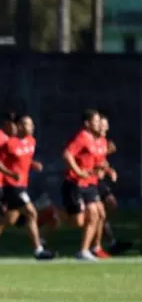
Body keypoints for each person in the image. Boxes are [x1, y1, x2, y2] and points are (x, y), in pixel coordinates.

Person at [0, 115, 54, 260]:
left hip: (22, 185)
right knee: (31, 213)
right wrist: (10, 174)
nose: (32, 127)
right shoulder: (10, 144)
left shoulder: (32, 141)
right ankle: (38, 250)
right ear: (20, 127)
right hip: (12, 186)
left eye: (32, 124)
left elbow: (25, 159)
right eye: (28, 125)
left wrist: (33, 164)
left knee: (6, 220)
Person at [48, 109, 105, 261]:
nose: (99, 124)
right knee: (78, 222)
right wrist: (78, 171)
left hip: (89, 185)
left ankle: (83, 251)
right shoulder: (82, 137)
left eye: (100, 121)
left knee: (95, 214)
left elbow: (96, 161)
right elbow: (67, 154)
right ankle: (53, 213)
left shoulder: (95, 139)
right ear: (87, 123)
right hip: (74, 184)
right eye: (96, 121)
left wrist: (102, 170)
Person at [95, 114, 132, 256]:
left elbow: (102, 162)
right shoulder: (91, 141)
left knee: (110, 206)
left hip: (99, 181)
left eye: (106, 125)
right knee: (97, 213)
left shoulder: (102, 141)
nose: (105, 128)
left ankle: (106, 237)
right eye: (102, 125)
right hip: (90, 181)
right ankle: (106, 243)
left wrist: (109, 170)